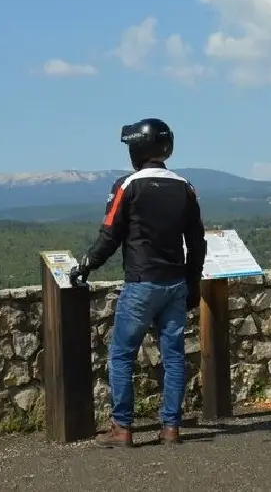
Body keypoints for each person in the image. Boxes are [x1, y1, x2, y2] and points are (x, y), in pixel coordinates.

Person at [68, 117, 207, 448]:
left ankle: (122, 429)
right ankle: (171, 428)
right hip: (175, 284)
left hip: (141, 283)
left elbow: (110, 235)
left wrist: (86, 265)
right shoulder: (184, 187)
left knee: (121, 355)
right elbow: (197, 241)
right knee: (173, 356)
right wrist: (193, 283)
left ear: (137, 149)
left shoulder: (127, 186)